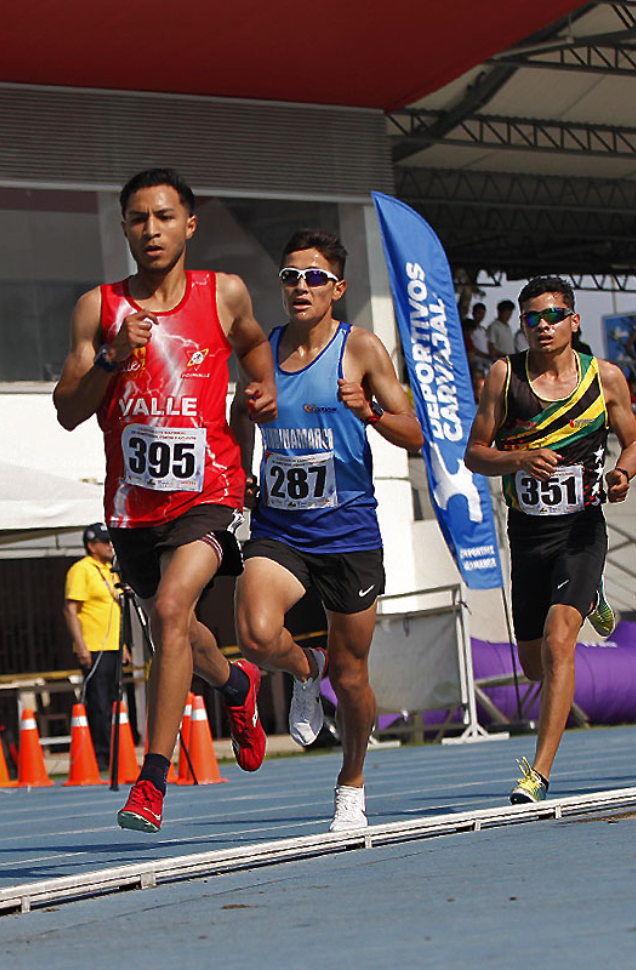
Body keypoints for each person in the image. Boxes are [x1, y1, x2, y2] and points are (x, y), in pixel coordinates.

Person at [53, 168, 278, 833]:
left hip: (209, 492)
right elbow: (68, 412)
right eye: (137, 219)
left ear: (189, 224)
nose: (150, 230)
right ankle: (236, 685)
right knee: (174, 630)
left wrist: (259, 391)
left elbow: (256, 346)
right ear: (123, 228)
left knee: (175, 608)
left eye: (163, 216)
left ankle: (151, 780)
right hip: (133, 509)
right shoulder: (99, 308)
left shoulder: (224, 295)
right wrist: (112, 359)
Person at [233, 229, 423, 831]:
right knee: (257, 636)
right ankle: (303, 668)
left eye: (313, 277)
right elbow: (239, 415)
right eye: (290, 276)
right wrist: (242, 467)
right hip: (280, 529)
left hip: (347, 534)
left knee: (354, 674)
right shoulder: (261, 351)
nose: (300, 287)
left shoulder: (360, 348)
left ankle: (352, 781)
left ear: (337, 288)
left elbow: (414, 432)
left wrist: (368, 411)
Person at [465, 276, 636, 804]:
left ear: (574, 320)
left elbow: (632, 444)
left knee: (561, 640)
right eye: (531, 318)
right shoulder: (504, 375)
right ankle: (593, 596)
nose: (542, 326)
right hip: (528, 533)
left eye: (552, 315)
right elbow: (475, 453)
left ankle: (537, 772)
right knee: (533, 663)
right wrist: (518, 458)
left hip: (581, 528)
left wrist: (622, 475)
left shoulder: (605, 378)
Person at [63, 523, 124, 771]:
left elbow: (116, 609)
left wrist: (125, 645)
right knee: (98, 702)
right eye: (104, 541)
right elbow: (70, 609)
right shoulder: (82, 569)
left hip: (113, 645)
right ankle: (101, 755)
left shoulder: (111, 570)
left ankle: (117, 750)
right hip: (93, 645)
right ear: (91, 545)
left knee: (113, 700)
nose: (110, 545)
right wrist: (81, 645)